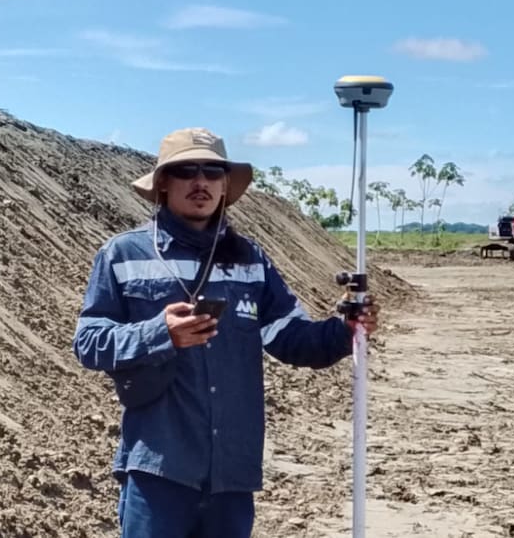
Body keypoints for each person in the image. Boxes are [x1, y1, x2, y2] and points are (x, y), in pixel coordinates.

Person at [72, 127, 379, 538]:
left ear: (224, 185)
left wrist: (344, 330)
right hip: (159, 469)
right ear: (163, 183)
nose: (200, 182)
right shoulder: (123, 254)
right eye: (186, 171)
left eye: (212, 172)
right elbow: (89, 341)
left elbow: (291, 338)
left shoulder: (250, 261)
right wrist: (160, 333)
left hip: (231, 474)